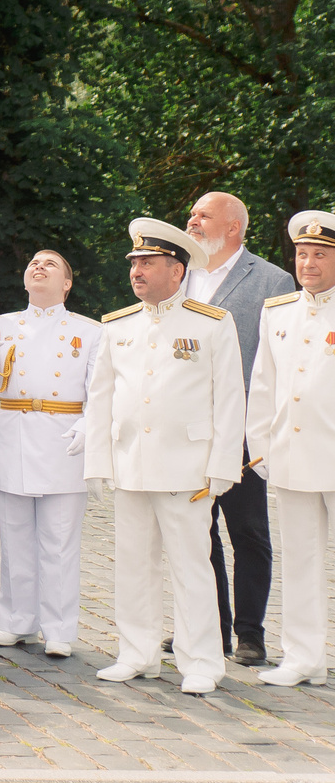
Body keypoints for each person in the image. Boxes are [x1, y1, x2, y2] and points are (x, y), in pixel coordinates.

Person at [86, 219, 246, 695]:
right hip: (131, 462)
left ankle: (201, 661)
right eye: (134, 262)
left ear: (176, 270)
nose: (137, 271)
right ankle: (137, 653)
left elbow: (230, 397)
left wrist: (222, 465)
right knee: (133, 563)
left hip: (186, 467)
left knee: (191, 565)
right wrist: (97, 461)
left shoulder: (211, 323)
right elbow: (101, 397)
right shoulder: (118, 325)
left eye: (148, 263)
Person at [0, 250, 100, 657]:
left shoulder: (91, 331)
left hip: (64, 438)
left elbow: (102, 389)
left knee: (59, 541)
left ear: (67, 283)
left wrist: (88, 425)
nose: (39, 267)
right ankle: (15, 621)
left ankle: (59, 629)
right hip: (15, 435)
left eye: (51, 265)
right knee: (15, 538)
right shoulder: (0, 325)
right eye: (33, 264)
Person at [185, 191, 294, 665]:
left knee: (249, 532)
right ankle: (209, 630)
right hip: (187, 428)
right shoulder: (178, 276)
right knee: (194, 532)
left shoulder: (273, 279)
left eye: (202, 215)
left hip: (245, 427)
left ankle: (250, 634)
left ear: (232, 227)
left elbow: (286, 359)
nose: (191, 221)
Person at [249, 211, 335, 687]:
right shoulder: (278, 311)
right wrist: (262, 449)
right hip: (292, 456)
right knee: (299, 562)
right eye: (303, 254)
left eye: (320, 254)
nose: (309, 263)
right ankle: (303, 658)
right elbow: (264, 384)